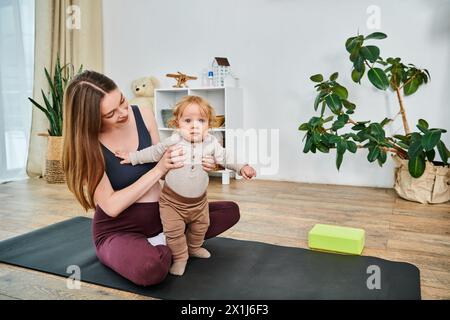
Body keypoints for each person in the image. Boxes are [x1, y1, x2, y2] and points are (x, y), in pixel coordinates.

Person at [62, 70, 241, 286]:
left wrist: (206, 164)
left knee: (229, 211)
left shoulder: (143, 114)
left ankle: (172, 241)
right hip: (121, 230)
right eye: (110, 114)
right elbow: (110, 206)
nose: (123, 112)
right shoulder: (87, 145)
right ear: (91, 119)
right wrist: (158, 170)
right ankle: (168, 248)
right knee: (150, 269)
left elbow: (168, 163)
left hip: (167, 214)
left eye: (122, 101)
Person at [115, 95, 256, 275]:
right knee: (174, 233)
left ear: (209, 125)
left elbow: (226, 157)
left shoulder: (211, 143)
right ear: (177, 123)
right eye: (188, 120)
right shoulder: (173, 142)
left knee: (201, 227)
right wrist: (132, 157)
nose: (194, 126)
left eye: (201, 121)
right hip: (172, 203)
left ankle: (194, 248)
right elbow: (152, 153)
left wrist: (242, 166)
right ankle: (181, 257)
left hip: (199, 203)